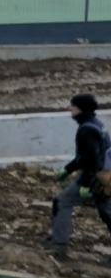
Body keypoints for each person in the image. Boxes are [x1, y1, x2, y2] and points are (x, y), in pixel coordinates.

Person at [44, 92, 111, 257]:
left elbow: (91, 160)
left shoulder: (87, 130)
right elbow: (85, 156)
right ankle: (58, 240)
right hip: (105, 175)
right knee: (106, 212)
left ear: (81, 109)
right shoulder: (95, 124)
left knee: (62, 202)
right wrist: (68, 169)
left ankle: (59, 244)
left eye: (72, 106)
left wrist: (86, 185)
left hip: (97, 177)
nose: (69, 108)